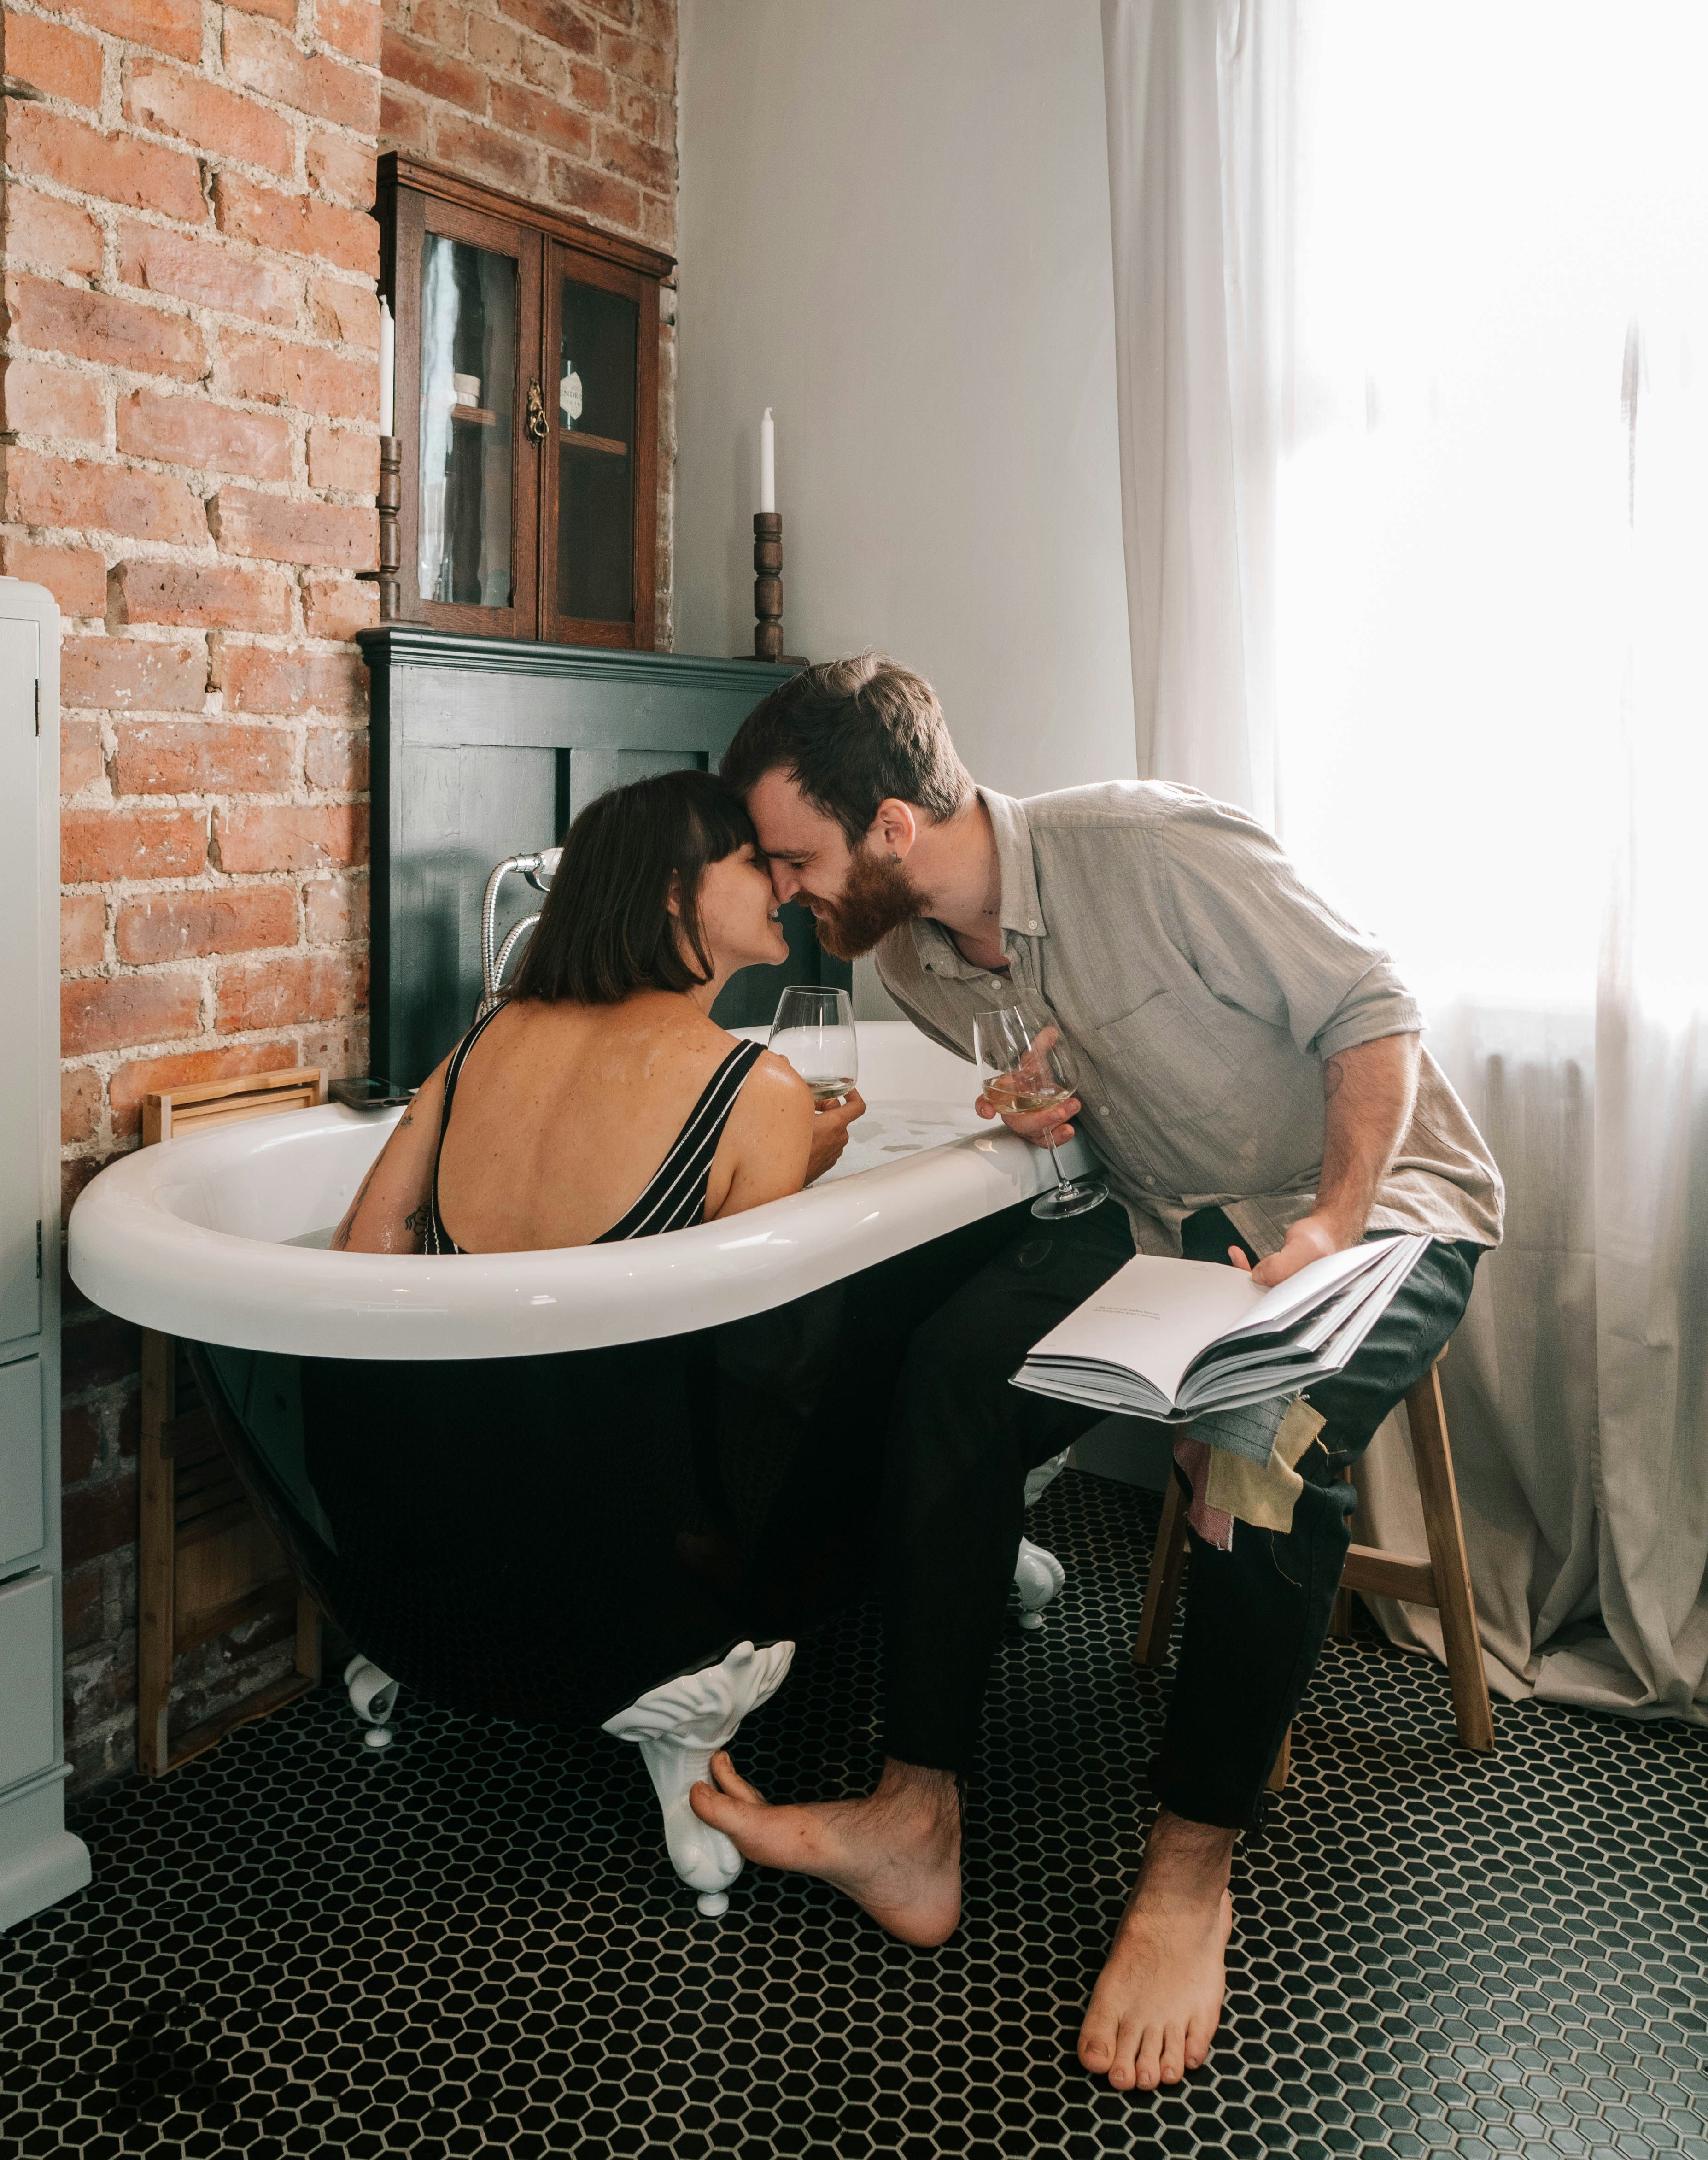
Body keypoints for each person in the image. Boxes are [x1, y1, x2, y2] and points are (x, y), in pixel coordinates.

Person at [698, 653, 1503, 2094]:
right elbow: (1079, 1125)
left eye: (794, 853)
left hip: (1376, 1210)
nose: (782, 885)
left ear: (889, 824)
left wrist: (1326, 1222)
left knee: (1254, 1441)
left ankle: (1190, 1870)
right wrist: (1035, 1117)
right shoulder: (909, 960)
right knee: (944, 1363)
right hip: (1166, 1227)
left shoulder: (1149, 848)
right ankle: (913, 1804)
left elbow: (1374, 1010)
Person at [333, 769, 864, 1258]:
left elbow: (358, 1254)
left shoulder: (483, 1041)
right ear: (676, 892)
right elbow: (752, 1346)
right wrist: (788, 1163)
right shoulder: (761, 1091)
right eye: (754, 862)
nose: (782, 885)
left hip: (434, 1359)